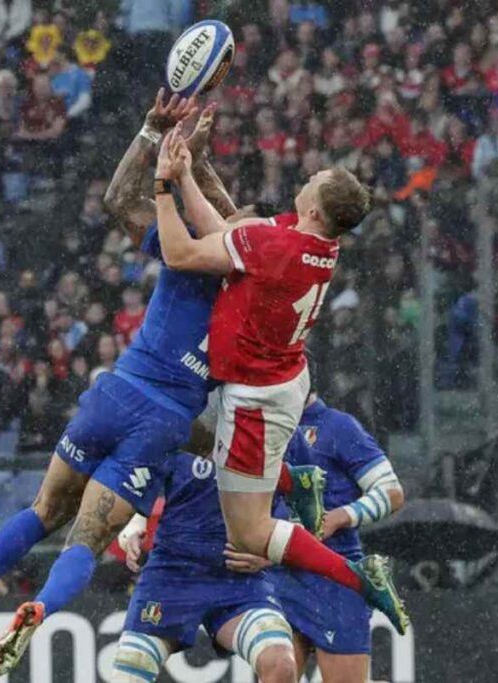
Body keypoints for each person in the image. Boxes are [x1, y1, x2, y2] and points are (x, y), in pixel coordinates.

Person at [0, 92, 320, 674]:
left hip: (115, 391)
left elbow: (121, 201)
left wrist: (155, 137)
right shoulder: (257, 304)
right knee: (84, 538)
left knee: (43, 509)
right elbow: (242, 236)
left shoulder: (186, 252)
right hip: (162, 419)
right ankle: (39, 606)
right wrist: (197, 166)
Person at [151, 124, 408, 633]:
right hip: (278, 378)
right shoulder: (309, 239)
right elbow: (224, 237)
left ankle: (361, 576)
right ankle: (296, 479)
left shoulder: (275, 246)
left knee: (249, 536)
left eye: (317, 177)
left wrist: (163, 186)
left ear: (315, 209)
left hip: (255, 399)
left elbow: (182, 252)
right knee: (177, 427)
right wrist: (186, 178)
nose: (309, 174)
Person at [230, 386, 406, 682]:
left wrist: (340, 517)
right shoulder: (263, 430)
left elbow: (392, 492)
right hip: (277, 578)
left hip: (335, 582)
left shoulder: (339, 426)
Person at [113, 444, 306, 683]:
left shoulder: (278, 428)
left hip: (240, 579)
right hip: (171, 574)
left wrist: (272, 553)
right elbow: (138, 486)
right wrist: (132, 530)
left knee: (281, 665)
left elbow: (307, 512)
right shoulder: (181, 424)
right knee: (128, 674)